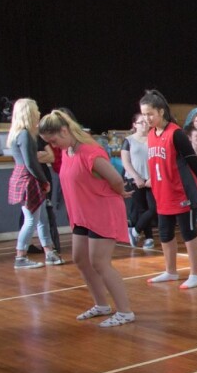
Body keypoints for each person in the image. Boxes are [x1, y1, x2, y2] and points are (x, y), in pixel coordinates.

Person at [39, 110, 136, 327]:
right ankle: (101, 304)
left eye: (53, 140)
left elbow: (114, 178)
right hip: (82, 214)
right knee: (80, 259)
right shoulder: (68, 151)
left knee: (100, 262)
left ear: (64, 130)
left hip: (102, 210)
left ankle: (125, 311)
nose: (53, 145)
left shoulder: (89, 152)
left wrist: (120, 192)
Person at [140, 90, 197, 289]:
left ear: (161, 112)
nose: (146, 118)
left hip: (182, 192)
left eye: (150, 114)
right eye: (143, 114)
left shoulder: (175, 133)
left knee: (188, 232)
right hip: (162, 193)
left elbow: (193, 161)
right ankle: (171, 271)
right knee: (165, 233)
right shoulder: (151, 134)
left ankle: (195, 274)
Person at [6, 98, 64, 269]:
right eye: (36, 109)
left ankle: (49, 252)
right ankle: (20, 256)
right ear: (29, 112)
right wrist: (44, 180)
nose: (39, 113)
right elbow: (31, 163)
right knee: (31, 220)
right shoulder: (24, 134)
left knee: (41, 219)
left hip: (26, 178)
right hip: (28, 179)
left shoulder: (22, 134)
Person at [120, 113, 157, 250]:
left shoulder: (153, 139)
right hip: (134, 180)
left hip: (151, 179)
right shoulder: (128, 141)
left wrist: (152, 178)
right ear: (134, 125)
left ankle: (135, 231)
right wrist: (136, 177)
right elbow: (126, 161)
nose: (144, 124)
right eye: (141, 122)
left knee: (154, 208)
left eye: (146, 122)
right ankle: (149, 238)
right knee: (142, 209)